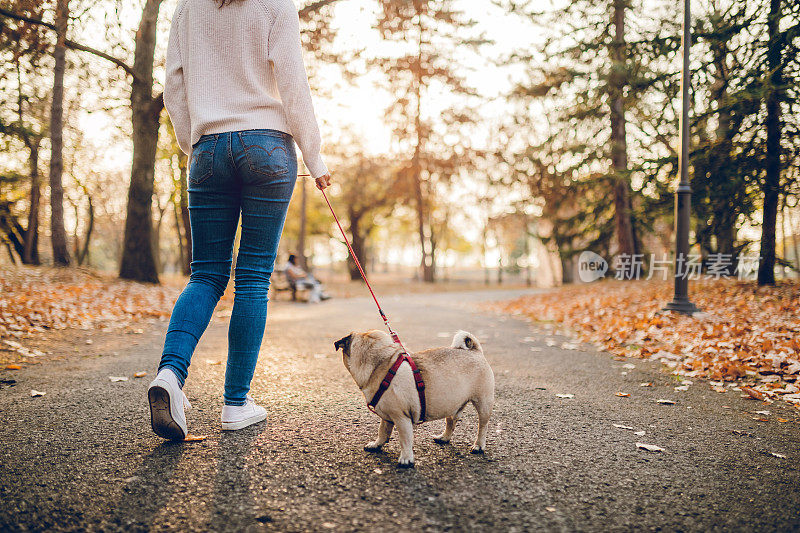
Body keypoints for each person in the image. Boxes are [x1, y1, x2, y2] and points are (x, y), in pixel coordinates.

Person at [147, 0, 333, 440]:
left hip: (208, 146)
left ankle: (170, 376)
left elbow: (174, 85)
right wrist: (315, 153)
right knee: (252, 277)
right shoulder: (274, 5)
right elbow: (292, 80)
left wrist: (195, 144)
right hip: (267, 146)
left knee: (207, 275)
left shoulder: (186, 9)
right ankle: (235, 404)